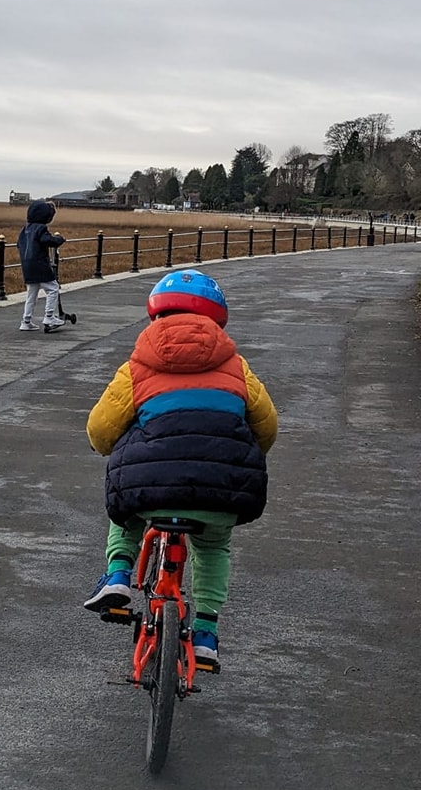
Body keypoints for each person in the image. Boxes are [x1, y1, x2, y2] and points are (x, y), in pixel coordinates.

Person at [82, 269, 278, 666]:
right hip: (221, 488)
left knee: (127, 508)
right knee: (213, 546)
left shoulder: (135, 367)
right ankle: (205, 632)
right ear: (215, 321)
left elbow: (101, 432)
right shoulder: (237, 368)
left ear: (155, 316)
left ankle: (118, 576)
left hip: (151, 485)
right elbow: (267, 428)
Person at [17, 199, 67, 332]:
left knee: (31, 294)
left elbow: (19, 244)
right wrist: (59, 239)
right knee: (53, 288)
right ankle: (49, 316)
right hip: (39, 263)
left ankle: (26, 321)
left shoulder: (25, 229)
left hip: (27, 265)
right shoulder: (41, 228)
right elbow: (47, 240)